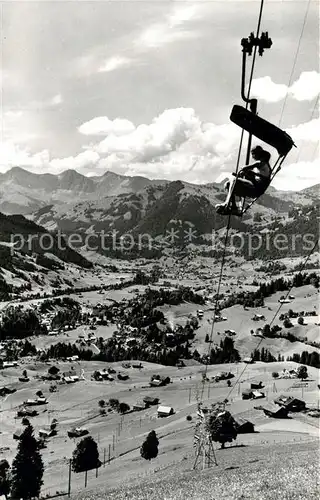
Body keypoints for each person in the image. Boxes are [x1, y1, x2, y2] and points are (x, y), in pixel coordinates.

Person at [216, 145, 272, 216]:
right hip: (253, 187)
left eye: (253, 154)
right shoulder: (258, 167)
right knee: (228, 184)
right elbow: (254, 176)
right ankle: (234, 207)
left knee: (233, 180)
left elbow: (249, 167)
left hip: (257, 189)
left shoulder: (262, 163)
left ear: (257, 154)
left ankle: (227, 203)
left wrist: (246, 169)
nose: (252, 157)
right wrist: (246, 174)